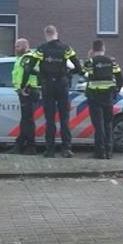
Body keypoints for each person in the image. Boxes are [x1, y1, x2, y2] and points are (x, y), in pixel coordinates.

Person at [25, 25, 82, 158]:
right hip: (62, 85)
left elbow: (28, 67)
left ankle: (50, 150)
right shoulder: (66, 48)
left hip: (47, 86)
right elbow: (78, 67)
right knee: (64, 118)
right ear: (57, 33)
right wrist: (68, 73)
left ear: (46, 35)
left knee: (50, 119)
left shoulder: (41, 49)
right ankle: (66, 149)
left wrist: (38, 74)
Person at [81, 39, 123, 159]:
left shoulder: (91, 62)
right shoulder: (112, 62)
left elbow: (83, 73)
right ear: (104, 48)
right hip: (108, 98)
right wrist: (115, 92)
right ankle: (109, 152)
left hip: (94, 98)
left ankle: (100, 152)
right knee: (108, 124)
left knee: (98, 126)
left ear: (93, 50)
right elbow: (120, 80)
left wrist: (88, 58)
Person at [11, 37, 42, 155]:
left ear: (25, 46)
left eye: (18, 46)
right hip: (25, 91)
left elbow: (29, 72)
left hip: (29, 91)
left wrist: (23, 87)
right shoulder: (21, 58)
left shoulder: (28, 58)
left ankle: (29, 147)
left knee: (27, 120)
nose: (15, 48)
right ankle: (21, 145)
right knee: (26, 120)